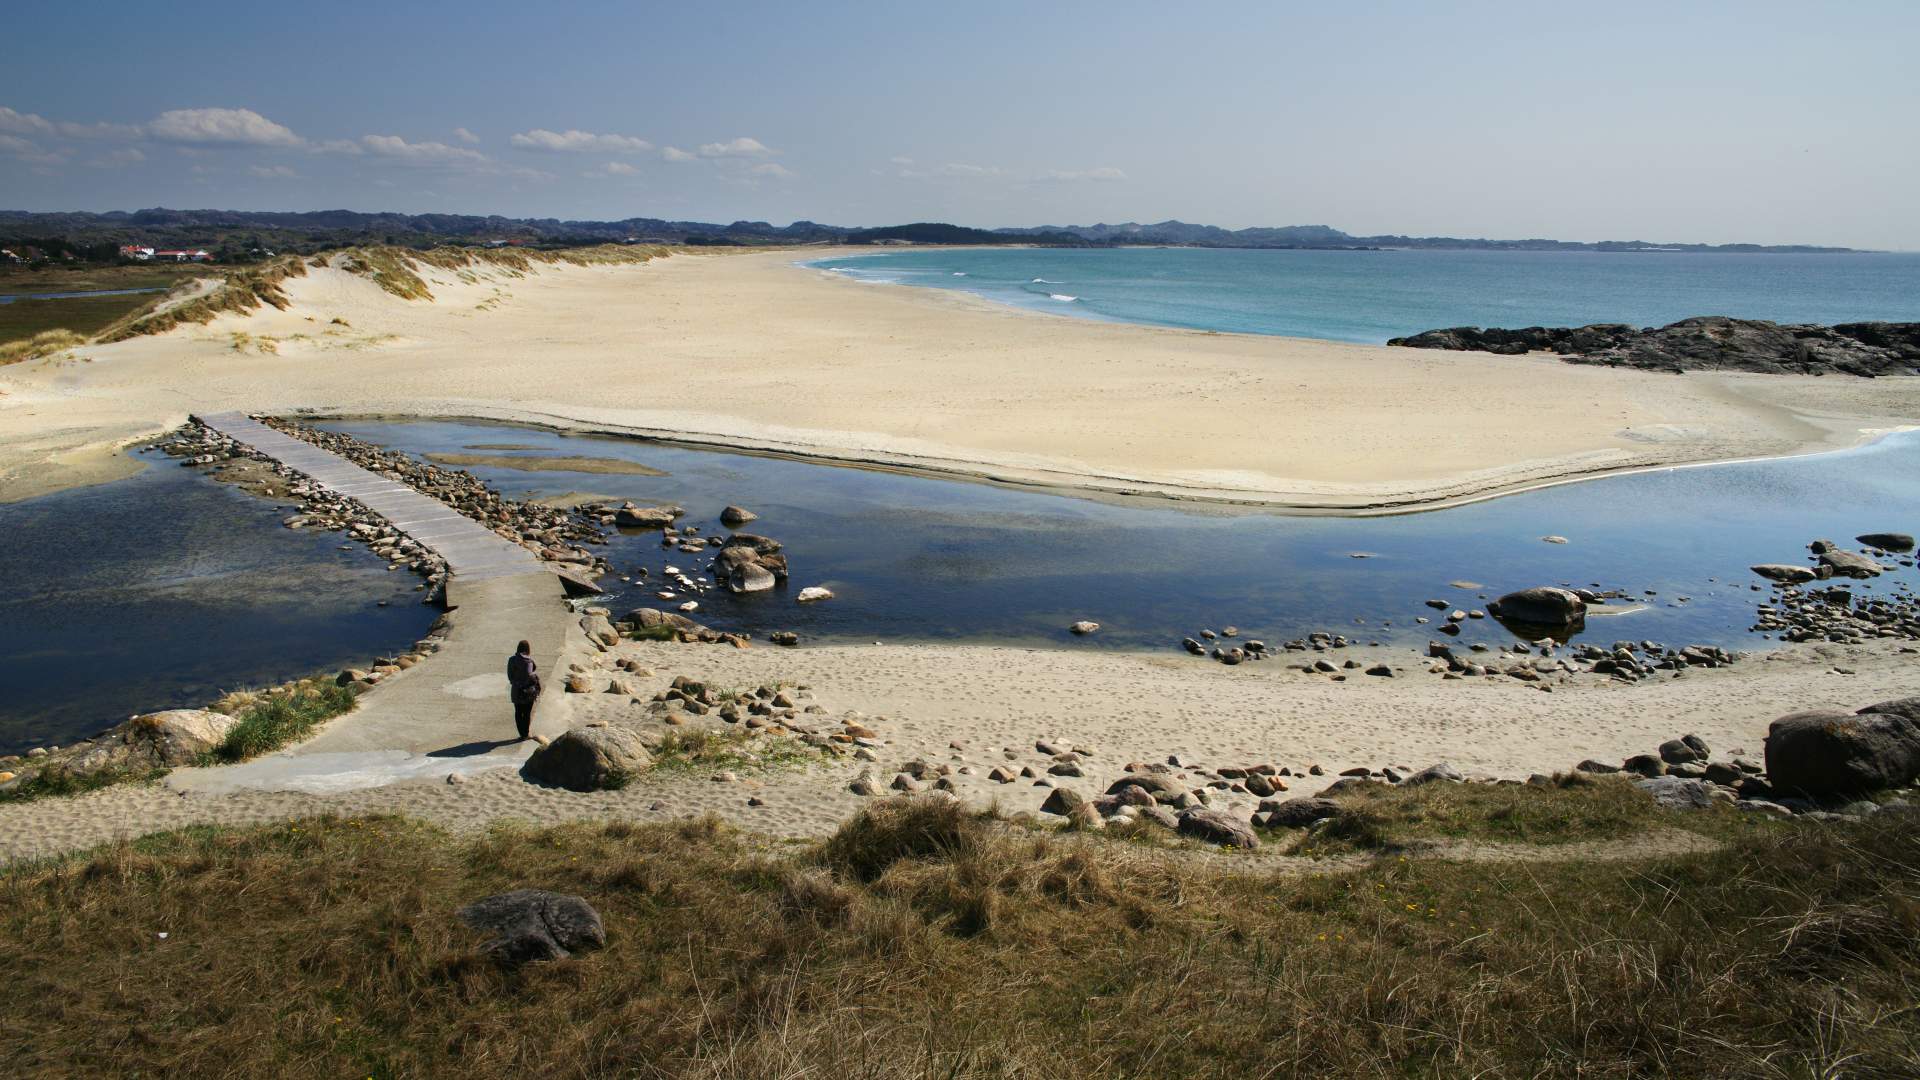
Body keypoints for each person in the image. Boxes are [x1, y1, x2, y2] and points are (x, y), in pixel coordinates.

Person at [507, 640, 541, 741]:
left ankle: (522, 733)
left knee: (518, 712)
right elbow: (532, 671)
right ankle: (525, 733)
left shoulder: (511, 660)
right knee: (526, 713)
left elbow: (510, 676)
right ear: (528, 649)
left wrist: (515, 682)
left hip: (516, 690)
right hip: (528, 691)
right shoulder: (529, 661)